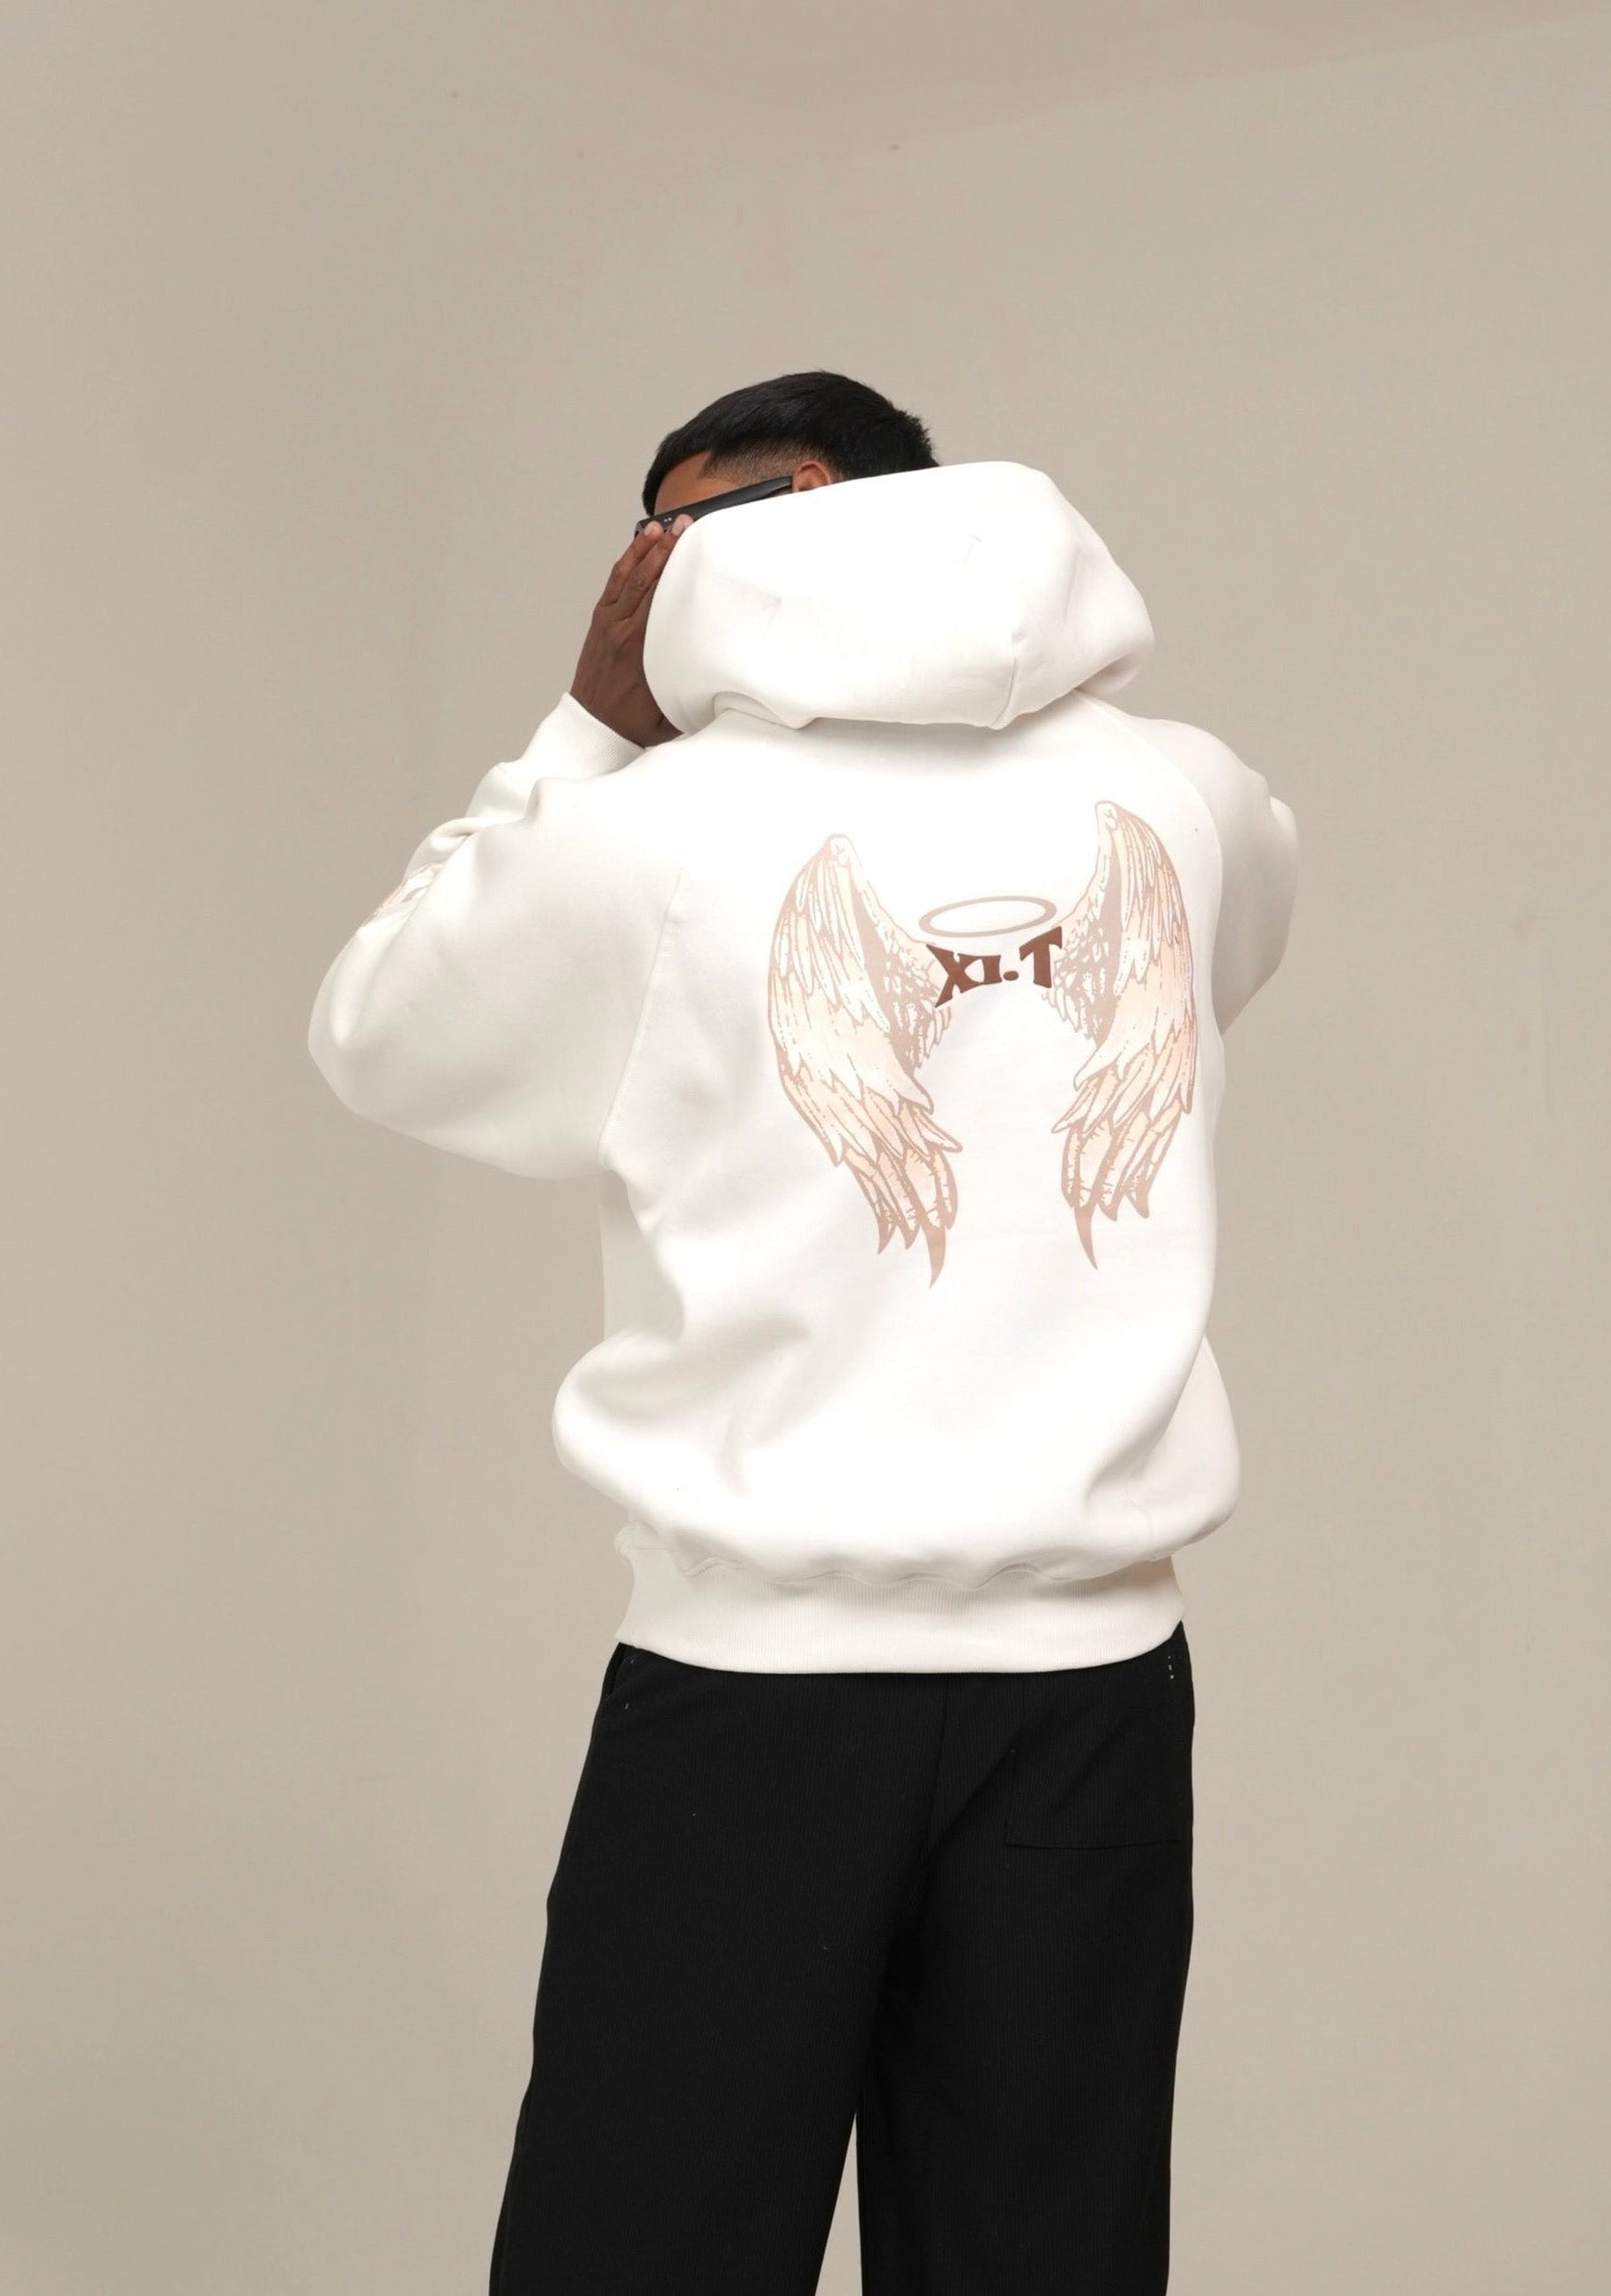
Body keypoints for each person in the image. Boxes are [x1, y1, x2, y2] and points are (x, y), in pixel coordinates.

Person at [307, 369, 1299, 2294]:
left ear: (860, 502)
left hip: (782, 1689)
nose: (676, 565)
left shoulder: (653, 835)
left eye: (709, 519)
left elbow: (386, 1026)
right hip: (1072, 1694)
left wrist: (586, 729)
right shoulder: (1184, 796)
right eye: (654, 536)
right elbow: (1227, 959)